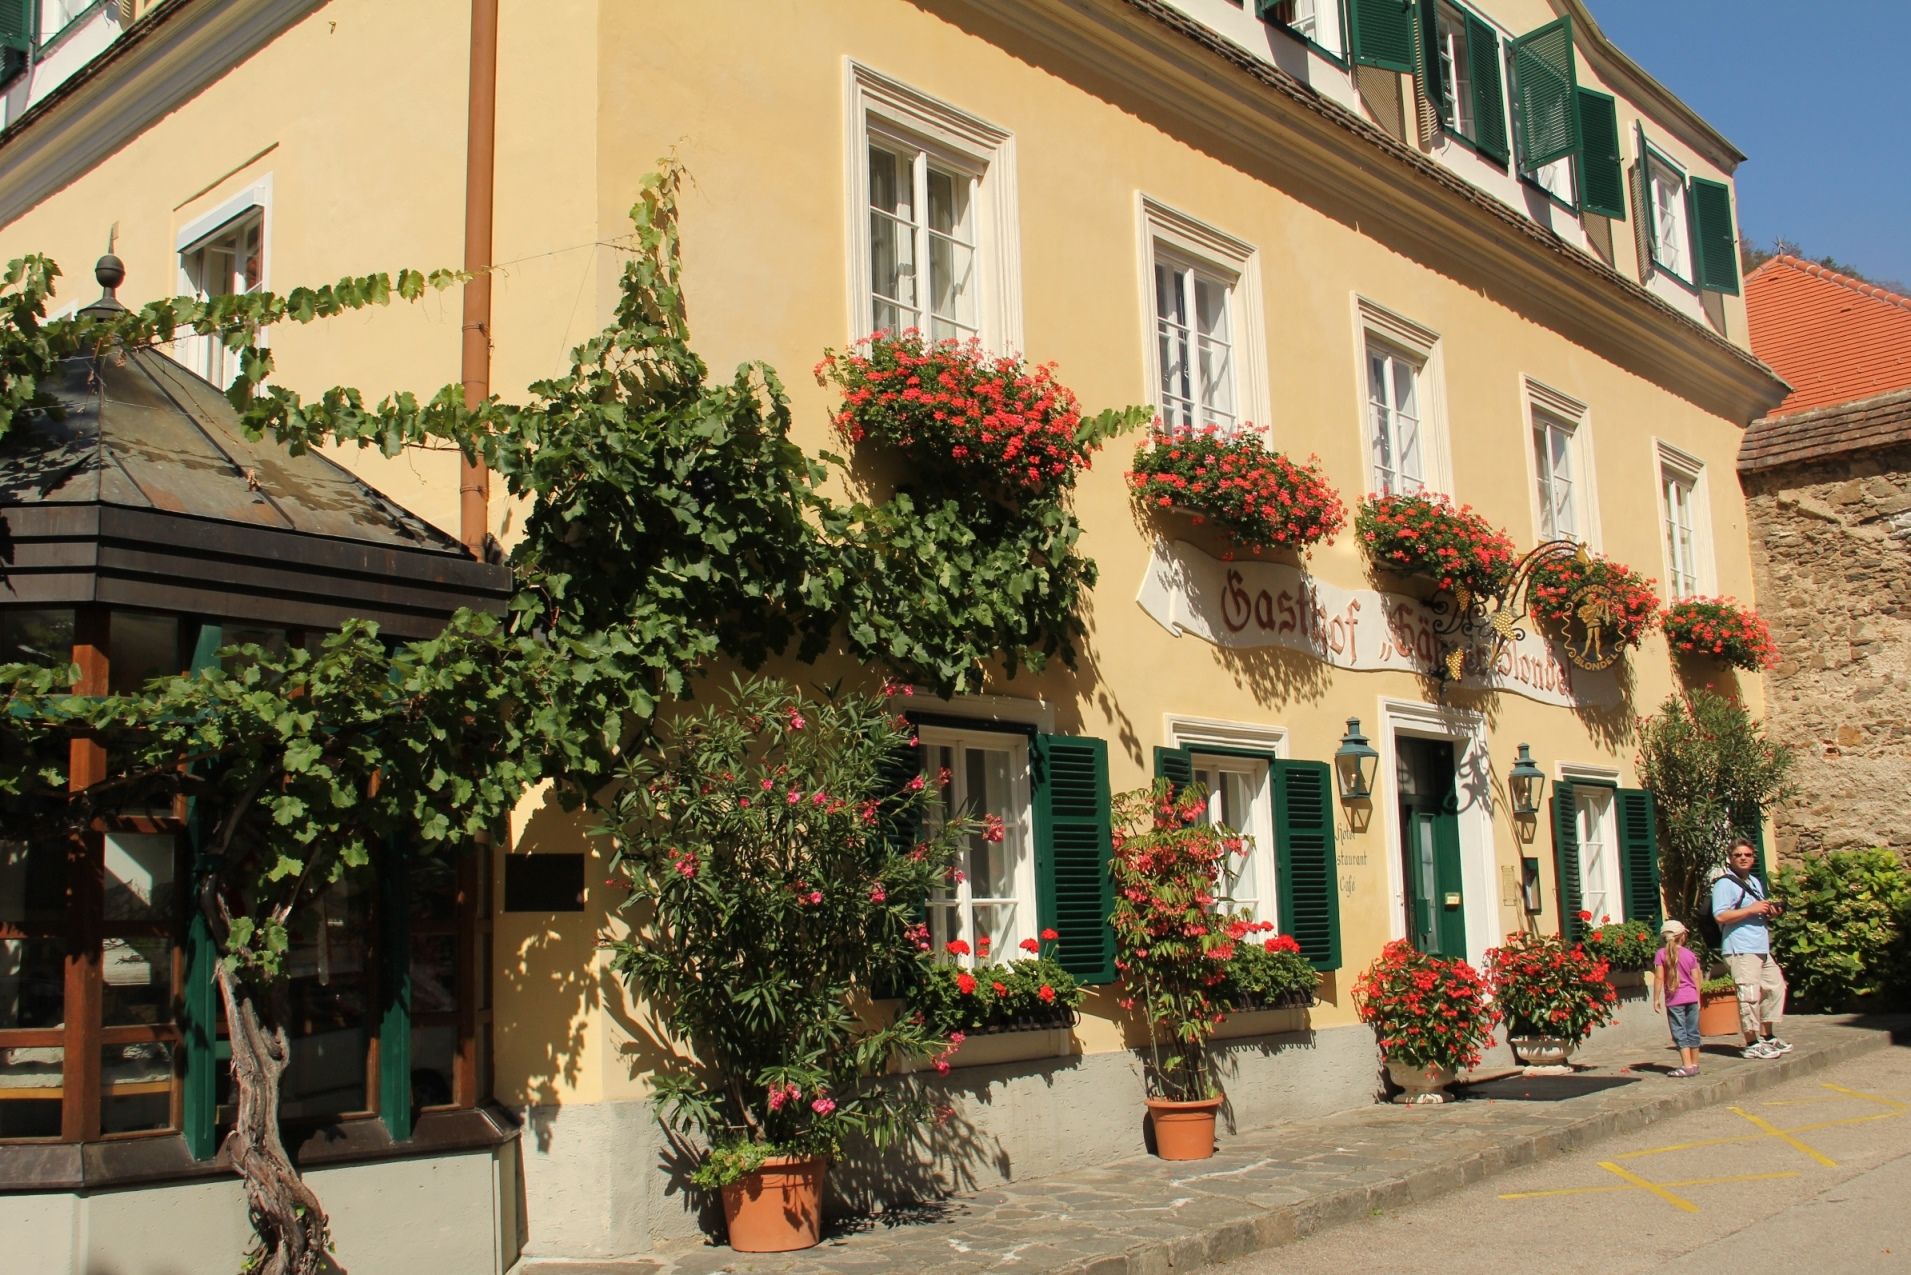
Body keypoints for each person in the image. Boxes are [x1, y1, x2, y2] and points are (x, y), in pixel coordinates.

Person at [1710, 839, 1790, 1059]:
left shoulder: (1754, 881)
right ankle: (1752, 1042)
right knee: (1749, 995)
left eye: (1747, 854)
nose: (1743, 858)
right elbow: (1720, 915)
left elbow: (1755, 910)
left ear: (1754, 858)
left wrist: (1769, 911)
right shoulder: (1725, 884)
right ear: (1730, 858)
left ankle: (1768, 1036)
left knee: (1776, 988)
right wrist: (1752, 909)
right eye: (1738, 855)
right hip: (1740, 948)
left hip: (1760, 947)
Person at [1652, 919, 1702, 1077]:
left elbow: (1659, 977)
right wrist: (1698, 998)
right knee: (1693, 1030)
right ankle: (1694, 1064)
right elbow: (1696, 978)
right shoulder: (1690, 954)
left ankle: (1686, 1066)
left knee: (1679, 1031)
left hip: (1675, 999)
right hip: (1692, 998)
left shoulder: (1661, 954)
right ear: (1683, 936)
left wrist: (1656, 998)